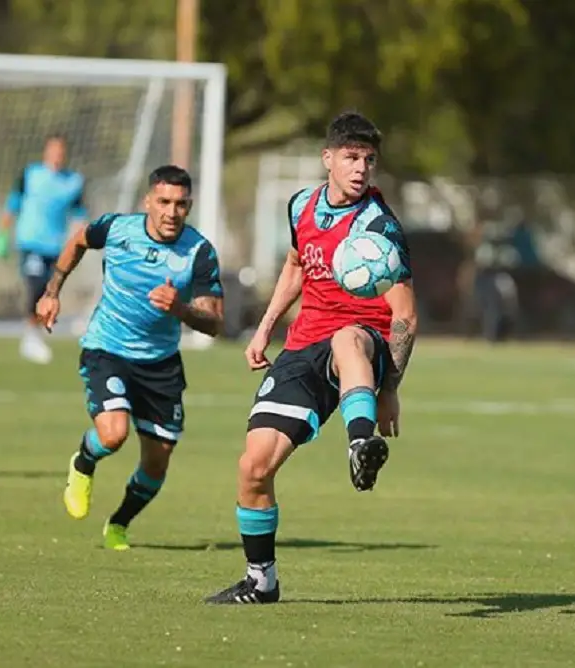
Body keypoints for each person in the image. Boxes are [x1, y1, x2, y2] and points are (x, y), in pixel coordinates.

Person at [205, 112, 417, 604]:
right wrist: (265, 328)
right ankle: (261, 581)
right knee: (253, 466)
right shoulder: (301, 205)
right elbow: (296, 265)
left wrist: (389, 390)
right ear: (328, 158)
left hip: (364, 342)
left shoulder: (381, 226)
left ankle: (359, 442)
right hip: (303, 347)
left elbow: (405, 315)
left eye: (369, 159)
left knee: (347, 338)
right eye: (351, 157)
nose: (361, 168)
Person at [35, 165, 224, 551]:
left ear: (189, 207)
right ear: (147, 202)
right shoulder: (117, 229)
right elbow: (79, 240)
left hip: (161, 363)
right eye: (164, 202)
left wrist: (180, 309)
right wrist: (52, 292)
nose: (171, 212)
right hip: (108, 349)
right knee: (113, 433)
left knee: (157, 463)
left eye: (180, 204)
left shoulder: (199, 252)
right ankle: (83, 462)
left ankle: (119, 523)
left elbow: (214, 322)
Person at [0, 134, 88, 364]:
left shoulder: (73, 182)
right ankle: (31, 336)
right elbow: (13, 204)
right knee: (35, 286)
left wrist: (82, 242)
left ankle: (34, 334)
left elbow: (79, 215)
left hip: (55, 247)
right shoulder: (30, 175)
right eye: (53, 150)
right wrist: (2, 235)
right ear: (46, 152)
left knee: (49, 291)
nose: (56, 155)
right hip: (30, 242)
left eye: (60, 151)